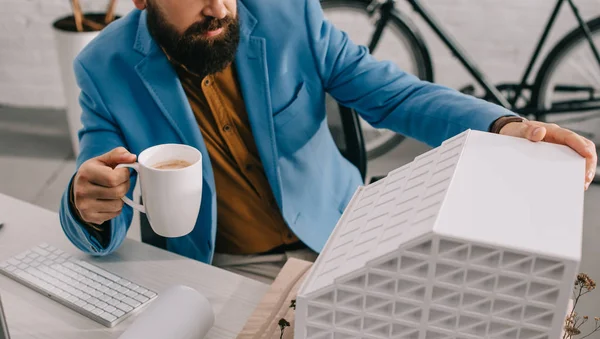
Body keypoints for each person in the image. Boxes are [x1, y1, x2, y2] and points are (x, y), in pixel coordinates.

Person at [59, 0, 597, 283]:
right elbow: (99, 174)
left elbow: (397, 96)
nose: (220, 8)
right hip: (222, 266)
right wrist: (90, 204)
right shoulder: (103, 67)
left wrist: (507, 127)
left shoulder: (288, 13)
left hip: (342, 239)